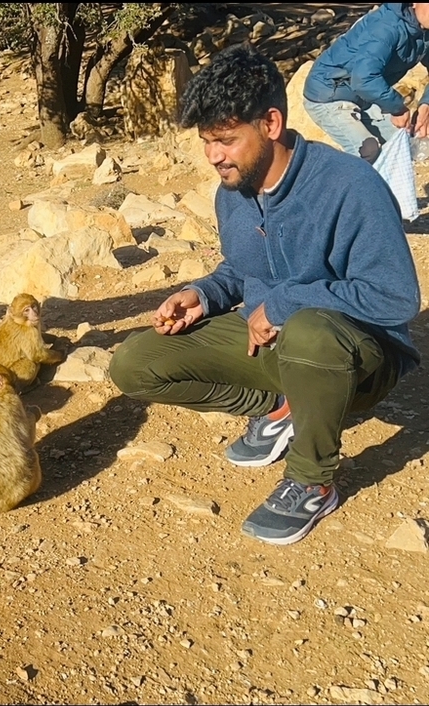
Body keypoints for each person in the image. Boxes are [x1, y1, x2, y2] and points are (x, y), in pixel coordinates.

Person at [109, 44, 421, 546]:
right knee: (136, 362)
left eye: (227, 140)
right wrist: (203, 294)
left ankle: (312, 481)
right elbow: (241, 268)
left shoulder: (349, 186)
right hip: (274, 347)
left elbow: (395, 298)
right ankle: (284, 405)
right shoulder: (232, 190)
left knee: (309, 332)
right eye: (208, 141)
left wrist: (283, 304)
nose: (214, 156)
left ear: (271, 124)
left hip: (356, 359)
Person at [303, 3, 429, 162]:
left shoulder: (423, 31)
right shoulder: (386, 27)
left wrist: (425, 105)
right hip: (329, 95)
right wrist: (397, 108)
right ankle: (338, 183)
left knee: (406, 142)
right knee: (368, 151)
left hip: (363, 97)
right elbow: (364, 78)